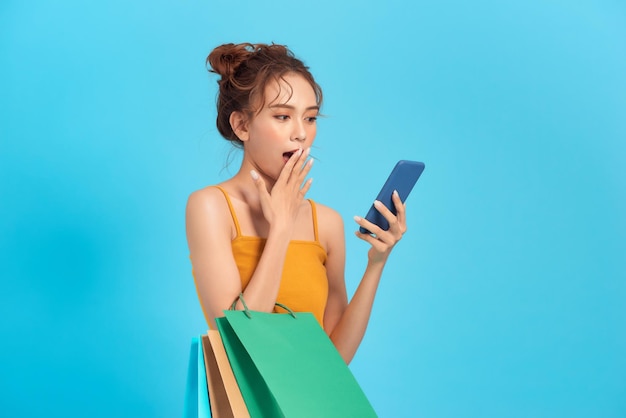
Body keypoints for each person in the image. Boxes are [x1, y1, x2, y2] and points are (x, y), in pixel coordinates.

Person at [186, 42, 407, 364]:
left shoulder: (327, 224)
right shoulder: (210, 207)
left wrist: (376, 262)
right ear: (242, 125)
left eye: (311, 118)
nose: (301, 134)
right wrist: (282, 227)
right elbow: (239, 343)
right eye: (282, 116)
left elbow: (336, 358)